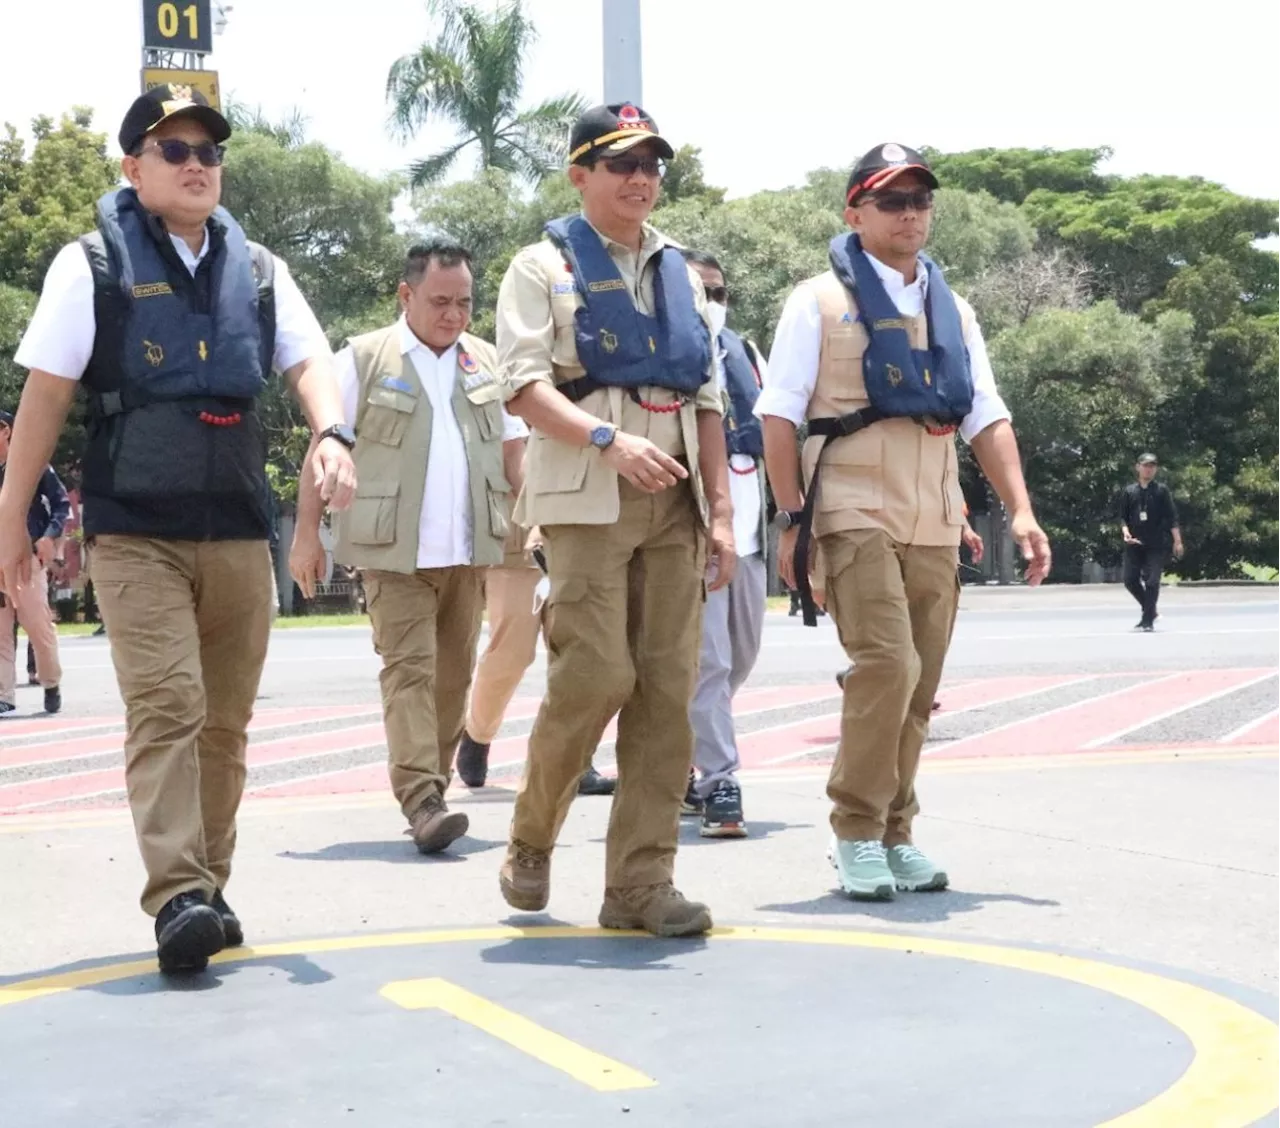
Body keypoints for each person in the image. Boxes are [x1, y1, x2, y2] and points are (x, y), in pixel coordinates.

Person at [0, 85, 356, 973]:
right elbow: (44, 397)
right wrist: (11, 524)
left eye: (209, 152)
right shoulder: (91, 265)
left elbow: (309, 359)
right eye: (175, 150)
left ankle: (209, 882)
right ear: (134, 168)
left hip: (237, 526)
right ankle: (178, 896)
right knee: (168, 706)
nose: (197, 165)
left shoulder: (263, 268)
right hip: (136, 530)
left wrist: (330, 433)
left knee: (225, 724)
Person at [759, 143, 1051, 901]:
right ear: (855, 212)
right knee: (887, 664)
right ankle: (855, 829)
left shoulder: (954, 308)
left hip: (934, 509)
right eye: (892, 201)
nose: (910, 213)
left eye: (920, 199)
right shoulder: (816, 301)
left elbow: (985, 414)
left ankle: (896, 832)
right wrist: (792, 521)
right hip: (850, 505)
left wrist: (1019, 509)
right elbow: (779, 416)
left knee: (921, 686)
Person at [493, 103, 735, 937]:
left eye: (652, 164)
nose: (641, 179)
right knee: (594, 678)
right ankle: (531, 837)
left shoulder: (683, 275)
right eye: (621, 162)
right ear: (580, 175)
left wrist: (724, 517)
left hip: (675, 506)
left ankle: (639, 886)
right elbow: (522, 386)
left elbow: (709, 400)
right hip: (587, 498)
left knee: (668, 694)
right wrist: (607, 439)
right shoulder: (540, 267)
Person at [291, 239, 529, 854]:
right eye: (441, 301)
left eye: (464, 303)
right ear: (406, 295)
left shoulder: (485, 361)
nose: (454, 314)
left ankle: (436, 787)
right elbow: (323, 445)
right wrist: (304, 537)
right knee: (409, 672)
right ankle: (421, 798)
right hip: (391, 554)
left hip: (469, 550)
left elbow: (513, 452)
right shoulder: (365, 358)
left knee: (453, 679)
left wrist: (537, 524)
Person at [676, 250, 767, 838]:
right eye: (700, 292)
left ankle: (689, 756)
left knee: (741, 655)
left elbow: (779, 430)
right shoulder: (667, 353)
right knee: (710, 662)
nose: (712, 303)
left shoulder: (748, 351)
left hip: (754, 532)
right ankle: (718, 782)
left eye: (720, 292)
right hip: (696, 529)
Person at [455, 494, 618, 797]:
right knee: (511, 654)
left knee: (576, 653)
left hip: (576, 532)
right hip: (515, 538)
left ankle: (576, 761)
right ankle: (477, 734)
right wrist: (538, 514)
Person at [0, 410, 68, 715]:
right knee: (0, 632)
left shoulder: (33, 467)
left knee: (38, 628)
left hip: (27, 561)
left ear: (6, 431)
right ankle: (5, 695)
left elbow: (61, 505)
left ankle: (51, 682)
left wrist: (49, 536)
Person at [1119, 452, 1182, 631]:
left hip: (1156, 542)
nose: (1148, 469)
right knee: (1130, 580)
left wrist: (1177, 541)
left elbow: (1172, 517)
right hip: (1134, 543)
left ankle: (1147, 621)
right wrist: (1125, 532)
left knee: (1152, 582)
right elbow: (1123, 517)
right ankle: (1151, 610)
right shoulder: (1129, 491)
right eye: (1145, 465)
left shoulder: (1161, 491)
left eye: (1152, 466)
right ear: (1138, 467)